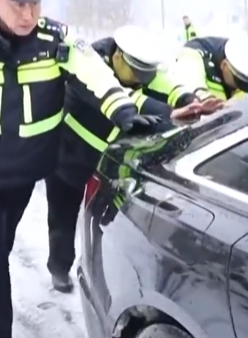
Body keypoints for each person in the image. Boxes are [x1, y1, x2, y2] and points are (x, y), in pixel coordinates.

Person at [0, 0, 157, 338]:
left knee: (3, 241)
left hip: (26, 170)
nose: (28, 14)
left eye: (35, 4)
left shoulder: (56, 39)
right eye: (17, 5)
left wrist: (124, 111)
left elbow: (93, 69)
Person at [47, 24, 220, 292]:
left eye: (145, 73)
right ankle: (59, 267)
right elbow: (125, 99)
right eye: (137, 72)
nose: (142, 79)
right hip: (68, 156)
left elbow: (163, 82)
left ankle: (98, 273)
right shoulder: (89, 66)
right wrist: (168, 112)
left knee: (106, 224)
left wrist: (188, 99)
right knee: (63, 217)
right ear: (117, 57)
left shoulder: (138, 70)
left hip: (110, 165)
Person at [168, 34, 248, 100]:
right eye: (238, 83)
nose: (240, 88)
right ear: (224, 65)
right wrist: (204, 100)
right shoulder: (192, 56)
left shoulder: (246, 55)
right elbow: (191, 85)